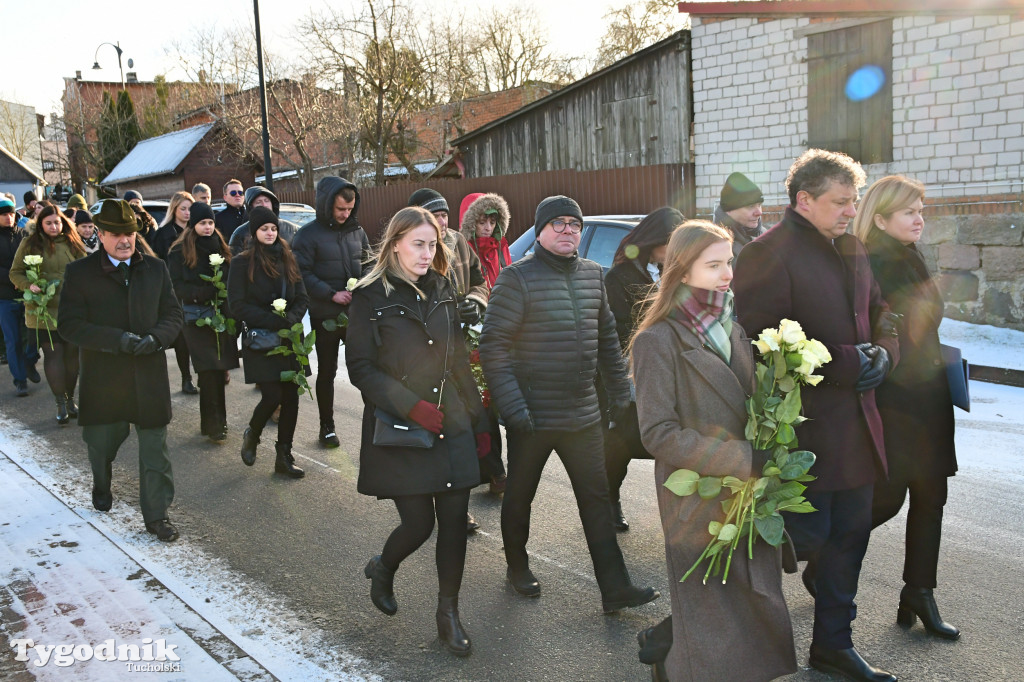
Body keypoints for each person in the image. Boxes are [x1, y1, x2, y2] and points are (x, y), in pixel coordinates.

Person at [732, 149, 900, 682]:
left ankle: (833, 645)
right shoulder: (767, 253)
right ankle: (686, 628)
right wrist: (854, 360)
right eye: (840, 202)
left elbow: (880, 313)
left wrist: (886, 352)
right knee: (797, 543)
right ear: (803, 200)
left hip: (859, 426)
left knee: (851, 536)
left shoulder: (851, 246)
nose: (851, 211)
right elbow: (765, 344)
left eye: (853, 201)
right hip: (804, 432)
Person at [631, 220, 797, 682]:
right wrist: (743, 459)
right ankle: (674, 664)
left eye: (729, 262)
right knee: (713, 615)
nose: (727, 274)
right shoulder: (657, 341)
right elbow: (658, 434)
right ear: (682, 272)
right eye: (714, 265)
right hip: (697, 499)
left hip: (749, 495)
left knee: (756, 599)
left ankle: (670, 650)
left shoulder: (734, 327)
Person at [479, 195, 659, 613]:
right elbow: (494, 348)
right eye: (558, 224)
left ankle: (615, 587)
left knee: (596, 500)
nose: (568, 231)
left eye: (574, 225)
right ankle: (517, 566)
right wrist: (513, 408)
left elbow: (607, 342)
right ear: (540, 230)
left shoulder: (594, 275)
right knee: (520, 495)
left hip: (582, 413)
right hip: (532, 415)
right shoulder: (516, 278)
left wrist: (620, 394)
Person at [346, 206, 489, 657]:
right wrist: (411, 406)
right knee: (419, 523)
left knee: (452, 523)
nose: (428, 253)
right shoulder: (369, 297)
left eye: (433, 244)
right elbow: (361, 369)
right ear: (395, 245)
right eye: (418, 244)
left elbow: (456, 356)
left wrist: (480, 416)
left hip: (452, 423)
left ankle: (448, 614)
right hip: (401, 426)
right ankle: (383, 566)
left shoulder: (444, 288)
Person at [851, 175, 960, 641]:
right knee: (887, 497)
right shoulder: (869, 263)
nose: (920, 219)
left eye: (921, 210)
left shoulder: (909, 254)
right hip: (896, 401)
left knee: (932, 495)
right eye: (909, 212)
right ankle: (824, 560)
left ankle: (919, 591)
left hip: (928, 396)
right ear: (880, 218)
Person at [58, 200, 183, 542]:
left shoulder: (155, 270)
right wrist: (117, 340)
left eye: (128, 233)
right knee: (101, 444)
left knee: (154, 450)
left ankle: (157, 516)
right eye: (115, 234)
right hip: (105, 378)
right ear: (100, 234)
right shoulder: (80, 273)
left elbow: (173, 315)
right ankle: (101, 480)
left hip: (148, 377)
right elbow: (69, 325)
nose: (124, 240)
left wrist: (156, 339)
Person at [409, 188, 495, 526]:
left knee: (464, 423)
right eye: (435, 215)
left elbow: (479, 280)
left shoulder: (459, 241)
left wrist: (475, 301)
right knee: (436, 426)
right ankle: (425, 498)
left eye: (444, 214)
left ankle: (458, 504)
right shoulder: (411, 247)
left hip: (461, 346)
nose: (442, 222)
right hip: (425, 352)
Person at [602, 207, 683, 531]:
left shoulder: (671, 272)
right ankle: (609, 501)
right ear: (654, 241)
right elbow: (618, 333)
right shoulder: (619, 278)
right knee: (620, 447)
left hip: (668, 372)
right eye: (671, 245)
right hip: (632, 373)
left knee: (672, 442)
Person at [227, 206, 308, 478]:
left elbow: (302, 297)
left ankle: (284, 456)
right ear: (254, 232)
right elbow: (236, 305)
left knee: (292, 399)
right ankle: (253, 433)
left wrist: (292, 318)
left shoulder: (289, 258)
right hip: (261, 339)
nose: (270, 233)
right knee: (273, 395)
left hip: (289, 338)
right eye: (264, 229)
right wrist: (273, 321)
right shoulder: (241, 262)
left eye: (273, 228)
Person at [291, 177, 369, 449]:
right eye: (340, 210)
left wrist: (364, 284)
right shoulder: (307, 235)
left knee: (367, 365)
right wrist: (330, 293)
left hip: (355, 313)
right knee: (328, 371)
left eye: (349, 209)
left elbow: (369, 262)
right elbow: (301, 274)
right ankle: (327, 426)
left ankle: (376, 422)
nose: (345, 215)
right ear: (327, 205)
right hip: (325, 313)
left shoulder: (357, 231)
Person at [167, 201, 239, 443]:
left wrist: (224, 293)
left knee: (219, 371)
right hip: (196, 317)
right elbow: (176, 286)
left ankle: (218, 421)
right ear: (192, 224)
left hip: (221, 315)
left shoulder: (221, 245)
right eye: (202, 223)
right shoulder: (180, 251)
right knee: (208, 370)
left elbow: (231, 277)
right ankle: (213, 423)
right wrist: (204, 292)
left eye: (210, 223)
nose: (207, 227)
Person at [10, 204, 87, 423]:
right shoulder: (30, 243)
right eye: (49, 223)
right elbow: (15, 272)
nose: (54, 226)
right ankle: (60, 404)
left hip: (72, 309)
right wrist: (28, 285)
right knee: (54, 355)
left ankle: (70, 399)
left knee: (73, 358)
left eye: (57, 222)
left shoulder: (73, 242)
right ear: (40, 224)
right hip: (43, 310)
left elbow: (85, 269)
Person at [152, 191, 199, 395]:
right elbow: (157, 261)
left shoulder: (197, 230)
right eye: (183, 209)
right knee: (181, 337)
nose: (187, 213)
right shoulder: (163, 234)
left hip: (196, 288)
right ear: (174, 210)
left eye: (190, 208)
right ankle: (186, 378)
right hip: (172, 289)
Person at [1, 198, 40, 396]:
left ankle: (29, 362)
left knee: (34, 335)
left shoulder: (23, 235)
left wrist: (27, 279)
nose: (8, 218)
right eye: (3, 215)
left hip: (28, 294)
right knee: (13, 339)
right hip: (5, 297)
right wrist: (13, 279)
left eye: (10, 214)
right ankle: (20, 379)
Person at [228, 186, 300, 256]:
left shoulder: (291, 229)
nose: (264, 205)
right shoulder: (240, 233)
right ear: (251, 207)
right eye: (258, 202)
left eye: (267, 201)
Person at [461, 192, 512, 289]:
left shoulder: (501, 247)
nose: (488, 228)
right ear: (470, 224)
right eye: (482, 222)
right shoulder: (464, 252)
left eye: (492, 223)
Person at [713, 172, 766, 259]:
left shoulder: (766, 235)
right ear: (729, 210)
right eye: (750, 206)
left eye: (759, 205)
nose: (759, 212)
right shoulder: (715, 245)